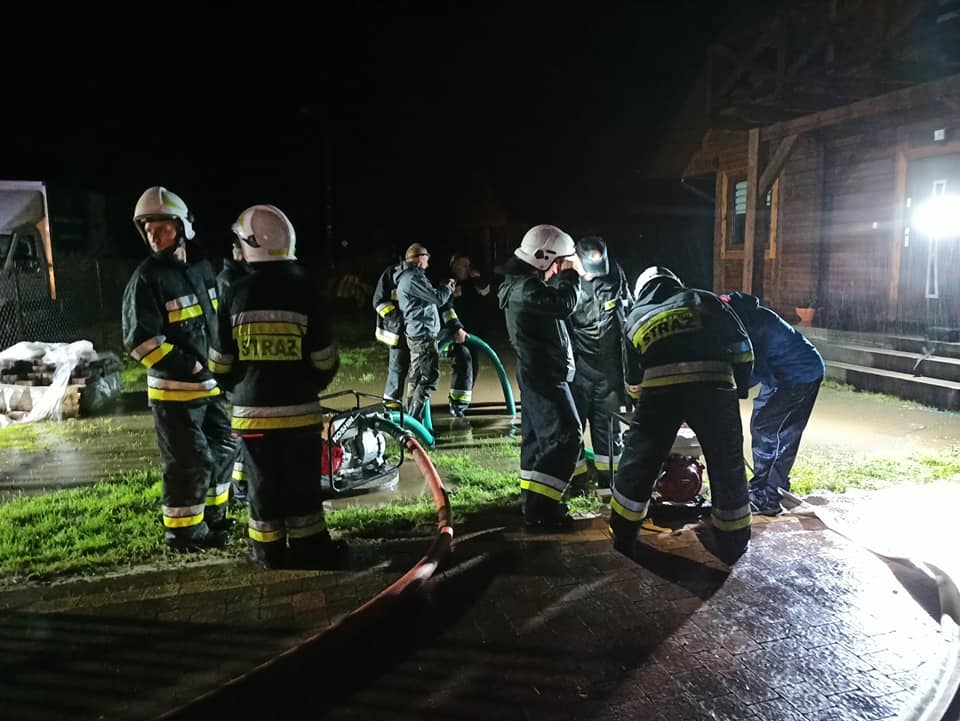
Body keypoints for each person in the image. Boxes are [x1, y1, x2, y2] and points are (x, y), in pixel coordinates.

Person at [208, 204, 342, 569]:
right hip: (300, 414)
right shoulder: (307, 291)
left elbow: (219, 363)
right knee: (303, 487)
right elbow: (326, 359)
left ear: (253, 245)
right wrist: (306, 386)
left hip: (252, 417)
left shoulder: (234, 294)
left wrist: (240, 389)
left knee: (262, 486)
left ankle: (268, 554)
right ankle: (310, 549)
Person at [611, 266, 754, 565]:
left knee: (638, 464)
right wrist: (738, 388)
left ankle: (623, 533)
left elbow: (633, 380)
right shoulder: (705, 299)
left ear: (641, 292)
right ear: (675, 282)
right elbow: (742, 346)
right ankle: (734, 538)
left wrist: (643, 410)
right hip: (715, 390)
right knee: (727, 464)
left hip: (660, 394)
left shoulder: (636, 316)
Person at [122, 186, 234, 551]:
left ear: (183, 227)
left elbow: (215, 321)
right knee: (190, 462)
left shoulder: (202, 269)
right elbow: (140, 343)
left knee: (224, 449)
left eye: (163, 228)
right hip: (174, 394)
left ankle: (212, 518)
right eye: (148, 229)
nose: (154, 236)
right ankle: (183, 533)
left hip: (210, 388)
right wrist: (193, 366)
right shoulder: (146, 279)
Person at [498, 224, 586, 528]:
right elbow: (563, 305)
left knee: (537, 441)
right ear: (544, 258)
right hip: (543, 373)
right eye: (559, 262)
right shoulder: (526, 289)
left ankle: (532, 502)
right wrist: (571, 276)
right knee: (567, 436)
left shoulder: (524, 285)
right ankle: (543, 510)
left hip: (538, 370)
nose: (559, 269)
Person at [721, 292, 825, 516]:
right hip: (776, 375)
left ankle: (769, 497)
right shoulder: (744, 319)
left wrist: (723, 395)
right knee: (761, 427)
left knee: (772, 432)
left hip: (800, 375)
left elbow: (747, 371)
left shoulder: (755, 326)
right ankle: (764, 488)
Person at [566, 236, 632, 491]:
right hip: (578, 368)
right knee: (572, 429)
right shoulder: (564, 281)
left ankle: (610, 484)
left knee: (609, 428)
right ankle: (575, 482)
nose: (592, 276)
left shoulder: (615, 277)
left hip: (609, 369)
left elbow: (627, 316)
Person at [395, 243, 455, 422]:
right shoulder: (414, 278)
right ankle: (413, 421)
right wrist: (448, 288)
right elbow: (437, 298)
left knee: (416, 378)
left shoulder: (407, 276)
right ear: (419, 258)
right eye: (427, 256)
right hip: (423, 335)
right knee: (429, 379)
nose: (428, 260)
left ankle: (411, 421)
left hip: (416, 334)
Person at [216, 239, 250, 503]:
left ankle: (242, 487)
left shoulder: (239, 278)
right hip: (238, 370)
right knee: (243, 432)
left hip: (242, 369)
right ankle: (240, 489)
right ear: (236, 251)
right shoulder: (230, 281)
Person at [439, 252, 494, 417]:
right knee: (464, 360)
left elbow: (486, 292)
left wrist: (478, 278)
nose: (465, 268)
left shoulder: (472, 283)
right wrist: (455, 329)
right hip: (450, 335)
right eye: (461, 265)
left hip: (470, 336)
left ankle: (461, 401)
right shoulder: (446, 284)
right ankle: (458, 407)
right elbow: (445, 308)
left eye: (467, 265)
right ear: (453, 266)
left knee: (473, 367)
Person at [372, 257, 409, 404]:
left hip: (414, 332)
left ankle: (412, 409)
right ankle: (391, 409)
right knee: (397, 370)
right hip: (396, 332)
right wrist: (399, 320)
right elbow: (379, 302)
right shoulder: (391, 273)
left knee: (416, 372)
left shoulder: (421, 275)